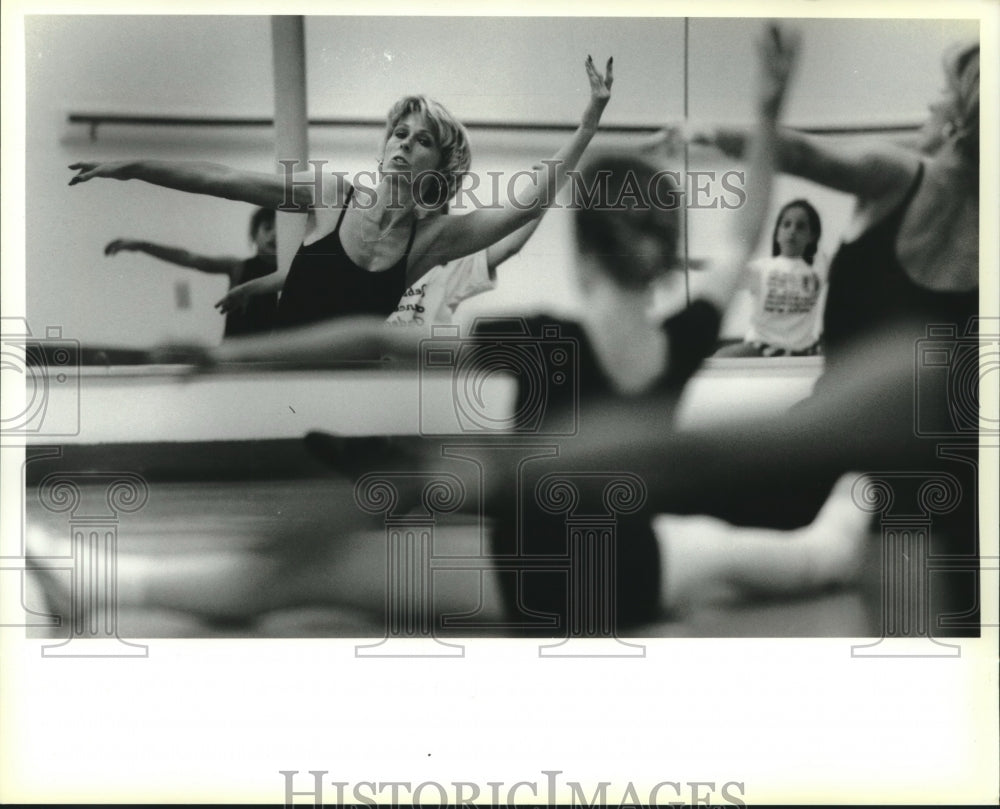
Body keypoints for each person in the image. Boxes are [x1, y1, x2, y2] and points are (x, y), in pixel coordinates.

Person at [70, 57, 614, 331]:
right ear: (383, 149)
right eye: (398, 134)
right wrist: (132, 166)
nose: (404, 144)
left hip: (347, 396)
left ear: (439, 169)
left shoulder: (432, 241)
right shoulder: (332, 195)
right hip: (279, 377)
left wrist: (588, 123)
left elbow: (528, 202)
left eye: (421, 140)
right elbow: (223, 180)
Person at [104, 207, 280, 338]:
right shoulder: (237, 267)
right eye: (267, 228)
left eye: (280, 230)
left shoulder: (290, 272)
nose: (274, 235)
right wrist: (141, 245)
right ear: (254, 234)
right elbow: (188, 257)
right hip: (233, 353)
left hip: (272, 355)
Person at [714, 198, 827, 357]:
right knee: (721, 357)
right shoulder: (762, 269)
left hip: (803, 351)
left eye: (800, 226)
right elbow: (726, 270)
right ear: (778, 233)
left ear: (812, 236)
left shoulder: (818, 269)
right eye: (786, 224)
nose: (792, 231)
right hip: (761, 348)